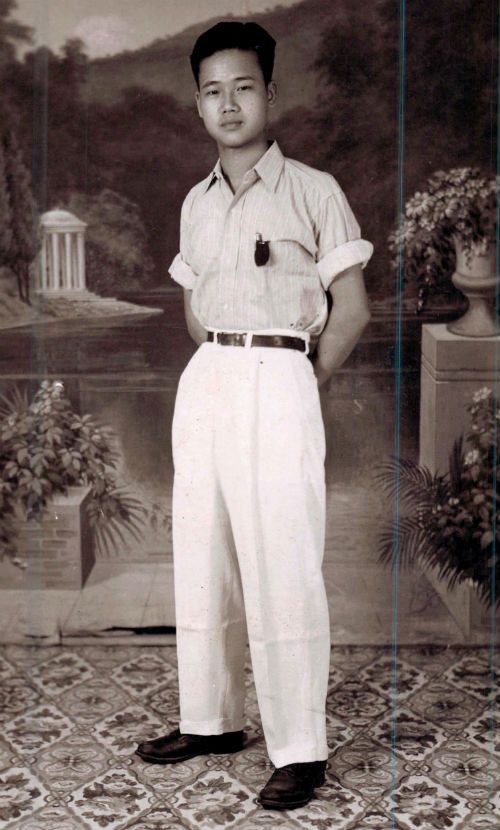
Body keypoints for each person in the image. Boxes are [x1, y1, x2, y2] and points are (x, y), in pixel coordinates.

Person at [136, 20, 373, 811]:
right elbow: (194, 307)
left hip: (281, 373)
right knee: (202, 552)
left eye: (244, 87)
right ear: (198, 103)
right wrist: (222, 363)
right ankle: (210, 721)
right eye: (213, 91)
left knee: (282, 562)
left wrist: (301, 378)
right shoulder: (195, 203)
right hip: (210, 375)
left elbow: (352, 309)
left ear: (271, 92)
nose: (229, 104)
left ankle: (300, 749)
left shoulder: (313, 190)